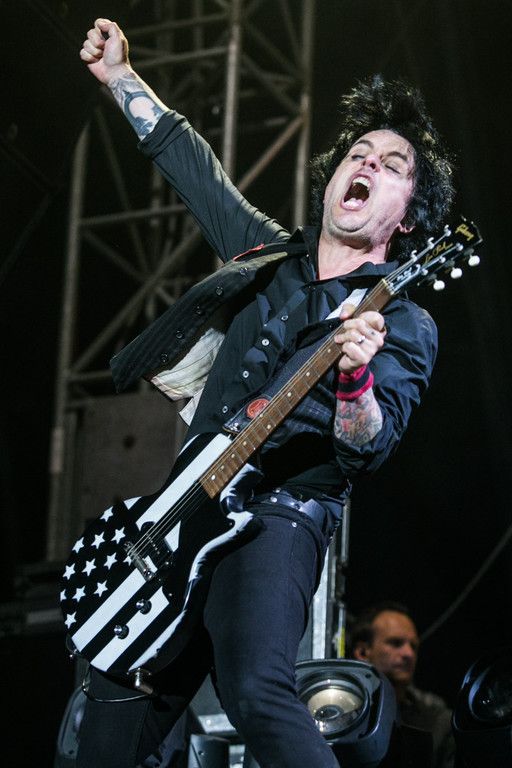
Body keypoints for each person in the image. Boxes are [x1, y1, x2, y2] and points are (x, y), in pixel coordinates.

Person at [73, 17, 454, 768]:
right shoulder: (266, 255)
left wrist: (354, 378)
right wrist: (120, 77)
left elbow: (367, 445)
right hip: (183, 507)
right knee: (115, 705)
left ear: (408, 215)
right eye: (358, 153)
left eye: (391, 164)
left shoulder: (402, 320)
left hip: (276, 519)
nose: (367, 163)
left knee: (255, 688)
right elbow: (195, 168)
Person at [349, 602, 456, 768]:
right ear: (363, 652)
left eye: (413, 646)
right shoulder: (340, 715)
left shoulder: (437, 723)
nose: (409, 653)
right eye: (396, 643)